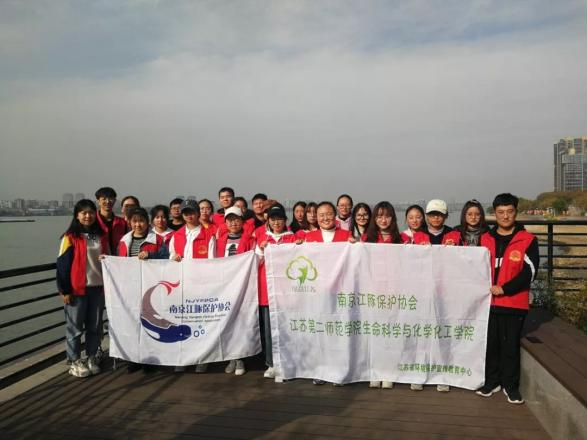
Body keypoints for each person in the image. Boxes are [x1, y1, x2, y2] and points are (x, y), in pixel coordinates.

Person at [477, 193, 538, 404]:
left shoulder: (528, 240)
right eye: (501, 212)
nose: (505, 216)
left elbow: (530, 272)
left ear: (515, 212)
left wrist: (504, 289)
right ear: (495, 213)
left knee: (510, 347)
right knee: (490, 345)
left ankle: (511, 387)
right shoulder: (485, 238)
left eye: (509, 211)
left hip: (514, 303)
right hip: (487, 304)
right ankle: (491, 382)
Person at [57, 199, 109, 378]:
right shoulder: (70, 237)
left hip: (97, 289)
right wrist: (65, 290)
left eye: (91, 212)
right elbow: (62, 265)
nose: (88, 216)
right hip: (77, 290)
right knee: (75, 328)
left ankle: (92, 357)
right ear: (77, 216)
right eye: (84, 213)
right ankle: (74, 361)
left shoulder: (101, 235)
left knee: (95, 326)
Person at [118, 207, 168, 373]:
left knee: (150, 323)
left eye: (141, 221)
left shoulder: (157, 240)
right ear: (129, 222)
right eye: (134, 221)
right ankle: (134, 359)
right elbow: (119, 263)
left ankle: (150, 360)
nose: (138, 224)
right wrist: (107, 260)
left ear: (147, 222)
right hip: (131, 288)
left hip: (150, 289)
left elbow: (166, 258)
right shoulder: (124, 241)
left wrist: (150, 256)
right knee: (132, 323)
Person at [168, 199, 216, 373]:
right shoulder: (176, 235)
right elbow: (170, 257)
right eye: (186, 213)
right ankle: (183, 358)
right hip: (181, 285)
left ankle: (202, 358)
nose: (189, 216)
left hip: (200, 286)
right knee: (181, 321)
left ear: (198, 213)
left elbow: (212, 262)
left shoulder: (208, 235)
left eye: (192, 212)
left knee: (200, 323)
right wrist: (173, 258)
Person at [255, 203, 298, 379]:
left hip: (287, 293)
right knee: (269, 330)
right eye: (273, 219)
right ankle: (271, 363)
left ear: (285, 220)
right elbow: (254, 263)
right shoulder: (262, 239)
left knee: (287, 328)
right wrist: (261, 249)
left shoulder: (292, 238)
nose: (276, 223)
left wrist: (300, 246)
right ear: (268, 221)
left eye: (280, 219)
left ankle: (289, 362)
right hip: (267, 292)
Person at [215, 206, 256, 376]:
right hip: (224, 287)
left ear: (242, 221)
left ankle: (240, 358)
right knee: (227, 322)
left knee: (240, 323)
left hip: (242, 287)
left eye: (236, 219)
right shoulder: (219, 241)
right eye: (230, 220)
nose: (233, 223)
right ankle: (230, 357)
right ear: (225, 223)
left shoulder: (250, 239)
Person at [95, 187, 127, 255]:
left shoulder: (122, 223)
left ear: (115, 200)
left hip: (117, 259)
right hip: (97, 259)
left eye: (110, 198)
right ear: (98, 201)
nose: (107, 201)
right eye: (104, 199)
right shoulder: (93, 221)